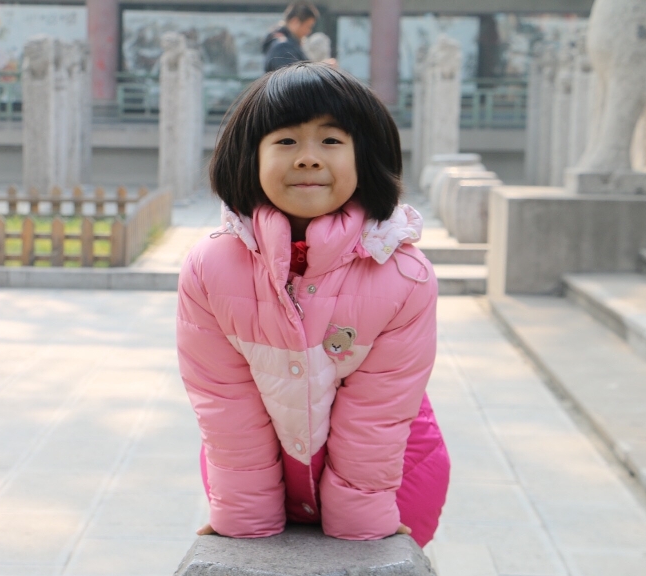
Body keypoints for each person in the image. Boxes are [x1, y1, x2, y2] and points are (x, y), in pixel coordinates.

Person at [176, 62, 450, 545]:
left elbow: (379, 409)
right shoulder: (209, 268)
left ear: (365, 157)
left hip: (390, 475)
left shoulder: (404, 275)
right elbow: (223, 399)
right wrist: (244, 513)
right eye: (285, 141)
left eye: (330, 141)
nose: (307, 158)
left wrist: (362, 518)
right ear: (249, 157)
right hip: (257, 473)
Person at [262, 1, 319, 72]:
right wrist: (320, 69)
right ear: (295, 21)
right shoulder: (282, 47)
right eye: (308, 26)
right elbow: (295, 80)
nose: (309, 31)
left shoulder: (286, 44)